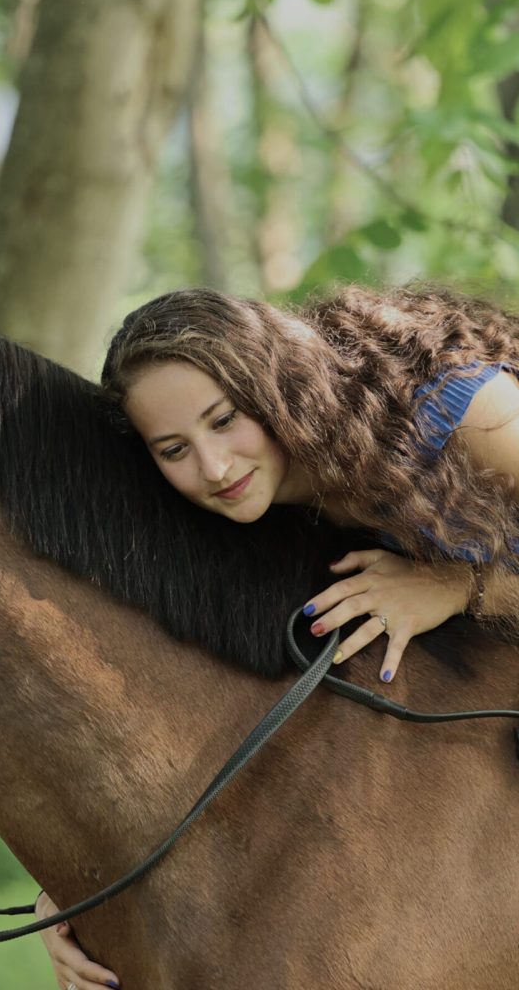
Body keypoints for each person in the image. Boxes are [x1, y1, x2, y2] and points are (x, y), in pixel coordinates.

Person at [37, 283, 519, 990]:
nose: (215, 468)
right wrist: (75, 892)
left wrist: (456, 586)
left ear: (272, 384)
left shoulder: (453, 409)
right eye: (174, 448)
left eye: (224, 420)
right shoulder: (239, 518)